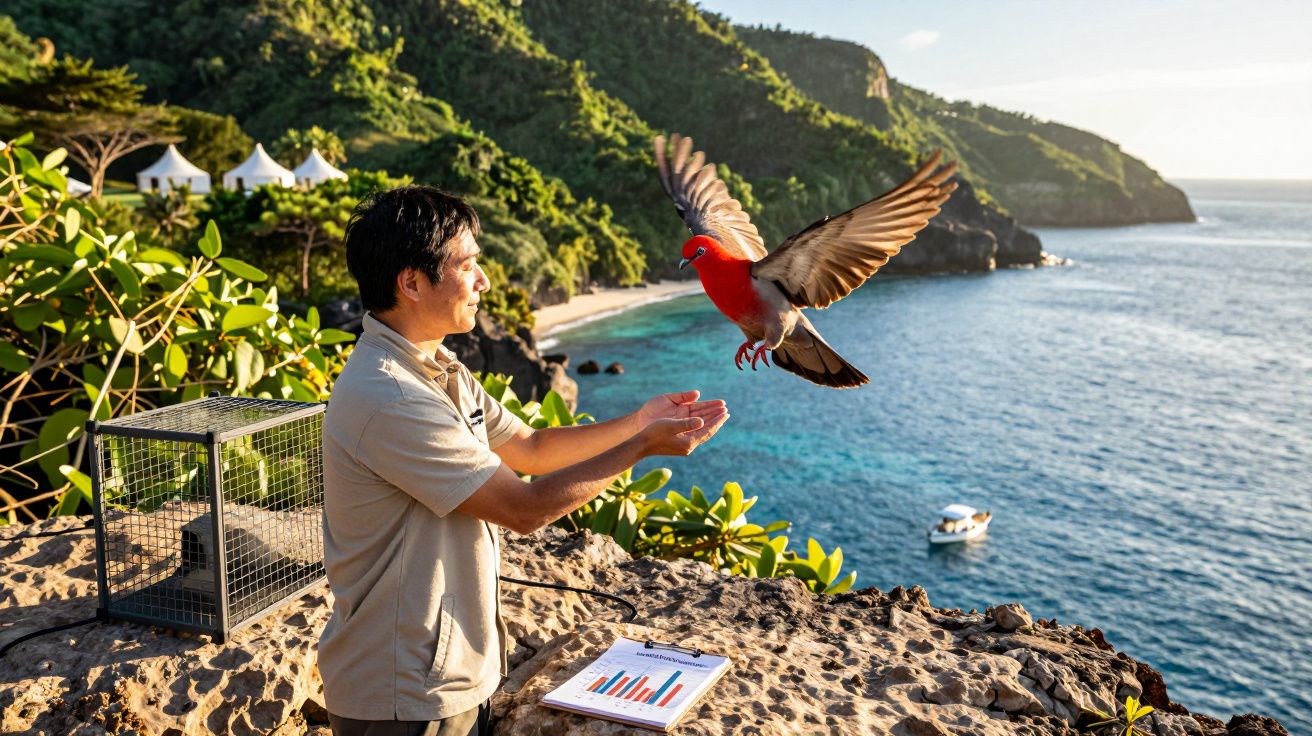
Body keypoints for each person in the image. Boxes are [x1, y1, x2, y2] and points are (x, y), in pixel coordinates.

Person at [318, 185, 729, 736]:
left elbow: (531, 448)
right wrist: (642, 448)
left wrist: (636, 421)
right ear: (411, 282)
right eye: (468, 266)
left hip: (448, 678)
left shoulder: (438, 369)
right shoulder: (390, 397)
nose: (484, 281)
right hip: (404, 695)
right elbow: (525, 508)